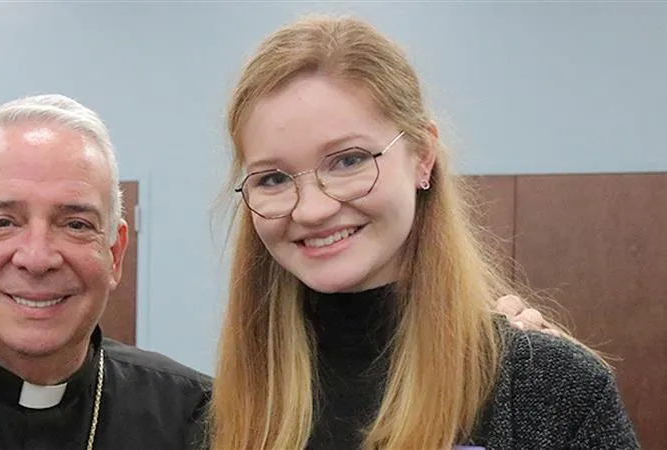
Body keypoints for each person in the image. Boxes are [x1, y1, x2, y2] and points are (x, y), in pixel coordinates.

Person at [206, 14, 640, 450]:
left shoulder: (549, 389)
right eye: (274, 179)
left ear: (423, 156)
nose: (314, 209)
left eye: (349, 160)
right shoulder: (222, 413)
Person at [0, 94, 210, 449]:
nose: (37, 258)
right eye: (2, 222)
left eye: (76, 225)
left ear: (115, 252)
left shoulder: (195, 418)